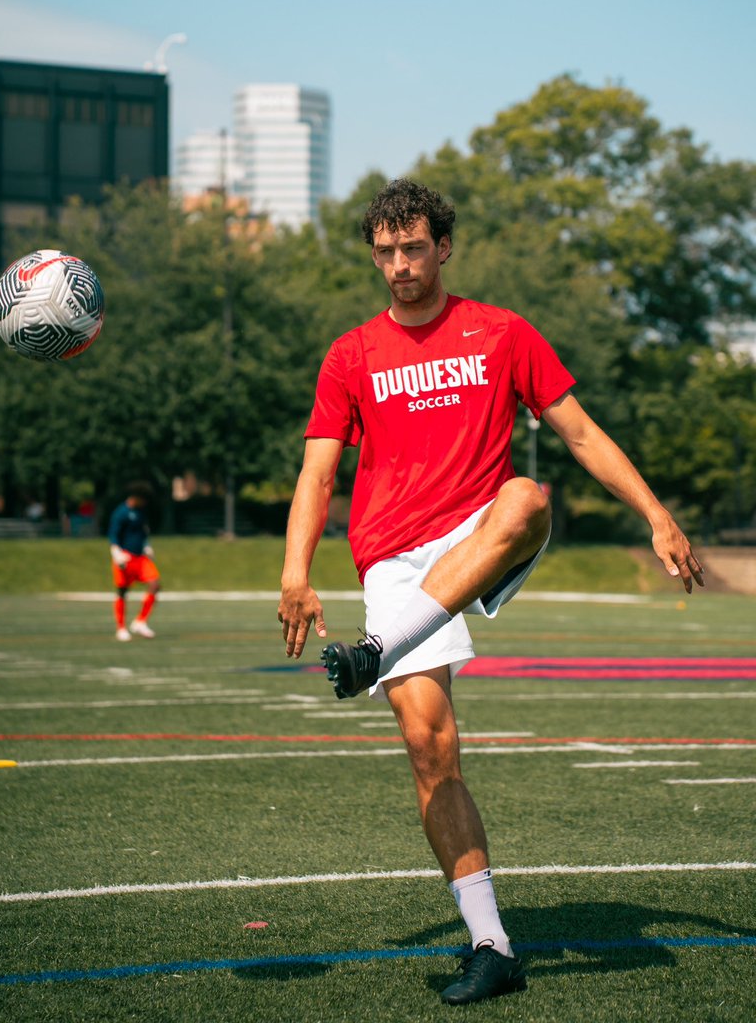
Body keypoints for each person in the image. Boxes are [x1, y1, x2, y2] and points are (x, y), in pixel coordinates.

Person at [278, 178, 704, 1007]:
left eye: (413, 248)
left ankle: (377, 651)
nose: (400, 265)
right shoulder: (351, 354)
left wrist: (656, 514)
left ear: (443, 246)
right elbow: (317, 472)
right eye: (385, 252)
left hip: (484, 531)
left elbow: (580, 433)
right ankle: (492, 944)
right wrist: (295, 573)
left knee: (528, 498)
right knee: (429, 747)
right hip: (392, 558)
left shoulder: (502, 332)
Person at [108, 482, 160, 642]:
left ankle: (140, 621)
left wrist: (146, 546)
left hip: (140, 557)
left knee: (154, 584)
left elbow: (142, 533)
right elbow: (113, 534)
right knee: (122, 591)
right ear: (135, 497)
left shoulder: (141, 512)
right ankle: (121, 628)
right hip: (125, 558)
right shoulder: (121, 512)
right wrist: (116, 552)